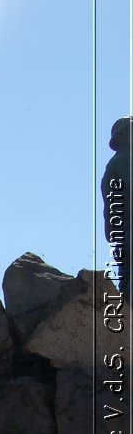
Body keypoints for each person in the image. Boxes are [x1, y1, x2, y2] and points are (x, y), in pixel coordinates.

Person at [101, 116, 132, 304]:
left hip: (121, 234)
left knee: (126, 279)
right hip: (129, 229)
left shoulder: (117, 162)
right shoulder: (125, 160)